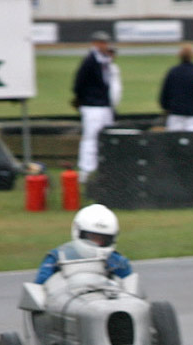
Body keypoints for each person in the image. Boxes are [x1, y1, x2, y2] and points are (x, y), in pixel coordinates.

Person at [35, 204, 131, 285]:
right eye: (92, 237)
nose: (97, 243)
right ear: (78, 232)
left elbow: (130, 293)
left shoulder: (118, 262)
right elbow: (40, 289)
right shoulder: (57, 258)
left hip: (106, 304)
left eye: (103, 239)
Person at [72, 31, 116, 184]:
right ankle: (86, 170)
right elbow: (78, 84)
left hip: (103, 105)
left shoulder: (103, 61)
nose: (104, 46)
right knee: (91, 138)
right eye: (101, 43)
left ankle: (103, 169)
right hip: (93, 106)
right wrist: (85, 99)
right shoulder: (90, 61)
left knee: (105, 138)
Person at [159, 44, 193, 132]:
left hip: (175, 116)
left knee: (174, 142)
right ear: (192, 56)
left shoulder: (173, 72)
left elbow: (164, 95)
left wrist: (166, 107)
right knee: (192, 142)